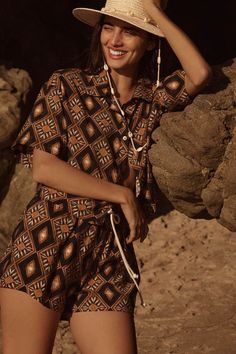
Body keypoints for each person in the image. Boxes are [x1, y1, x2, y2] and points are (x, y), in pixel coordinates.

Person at [0, 0, 212, 353]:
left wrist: (155, 13)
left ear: (149, 42)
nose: (115, 39)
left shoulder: (153, 100)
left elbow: (200, 73)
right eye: (109, 27)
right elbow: (44, 168)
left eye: (130, 31)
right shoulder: (66, 85)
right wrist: (121, 194)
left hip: (110, 253)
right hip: (47, 240)